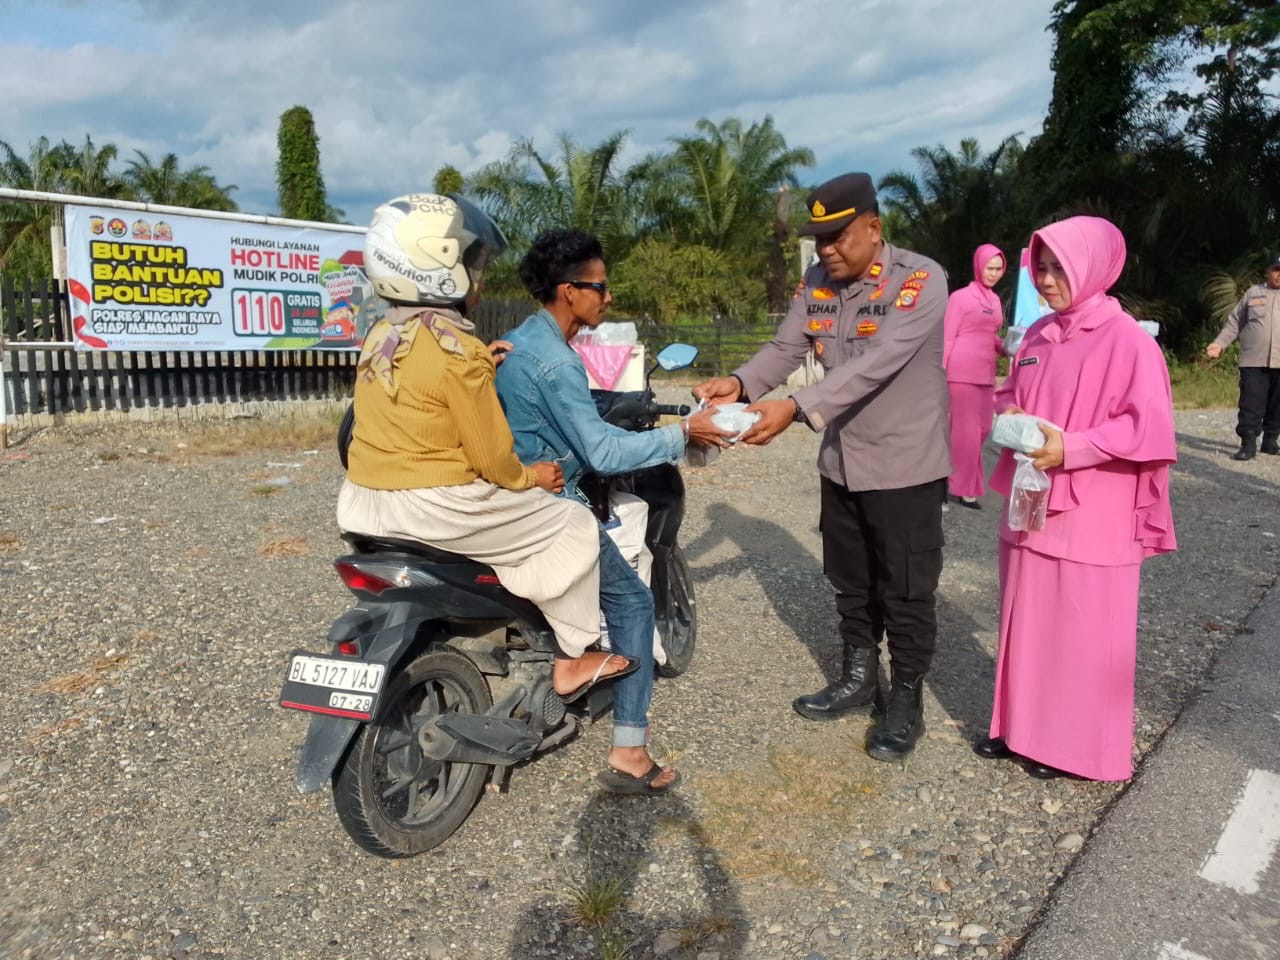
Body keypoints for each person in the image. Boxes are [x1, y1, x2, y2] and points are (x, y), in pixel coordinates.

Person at [337, 193, 636, 707]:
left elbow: (418, 397)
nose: (480, 276)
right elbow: (493, 460)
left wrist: (481, 367)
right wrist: (534, 477)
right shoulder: (459, 351)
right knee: (572, 523)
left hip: (364, 502)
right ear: (439, 271)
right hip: (435, 508)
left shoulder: (383, 333)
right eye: (471, 264)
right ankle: (571, 656)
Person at [693, 172, 951, 762]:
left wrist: (794, 406)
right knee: (851, 580)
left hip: (905, 462)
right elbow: (786, 347)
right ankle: (859, 678)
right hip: (842, 461)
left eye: (838, 237)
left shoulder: (919, 279)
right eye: (820, 239)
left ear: (873, 227)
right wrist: (738, 383)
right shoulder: (817, 281)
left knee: (906, 588)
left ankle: (906, 698)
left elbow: (878, 363)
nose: (827, 250)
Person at [494, 228, 732, 794]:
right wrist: (681, 434)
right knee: (631, 602)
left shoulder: (520, 342)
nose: (607, 298)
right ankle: (630, 751)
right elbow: (601, 451)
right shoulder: (556, 362)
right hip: (548, 506)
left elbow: (564, 415)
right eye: (598, 288)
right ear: (566, 290)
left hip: (504, 496)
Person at [974, 215, 1177, 781]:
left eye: (1058, 267)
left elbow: (1147, 427)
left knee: (1085, 628)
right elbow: (1010, 394)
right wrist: (1008, 414)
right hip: (1032, 498)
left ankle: (1077, 749)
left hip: (1095, 507)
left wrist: (1076, 447)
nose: (1045, 278)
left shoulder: (1129, 343)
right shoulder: (1037, 337)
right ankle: (1019, 730)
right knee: (1026, 615)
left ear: (1093, 268)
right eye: (1040, 266)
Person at [943, 244, 1006, 508]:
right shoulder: (960, 298)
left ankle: (954, 480)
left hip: (986, 372)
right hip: (962, 372)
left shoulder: (993, 299)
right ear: (978, 266)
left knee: (983, 429)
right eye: (989, 268)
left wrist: (1005, 347)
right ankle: (962, 487)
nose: (993, 273)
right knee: (965, 434)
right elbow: (948, 334)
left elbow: (988, 332)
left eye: (998, 268)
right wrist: (940, 372)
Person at [1205, 257, 1280, 460]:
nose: (1279, 274)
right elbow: (1234, 322)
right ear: (1268, 271)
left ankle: (1270, 441)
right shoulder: (1253, 293)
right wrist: (1219, 344)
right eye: (1276, 269)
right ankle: (1248, 444)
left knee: (1277, 404)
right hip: (1253, 361)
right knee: (1251, 403)